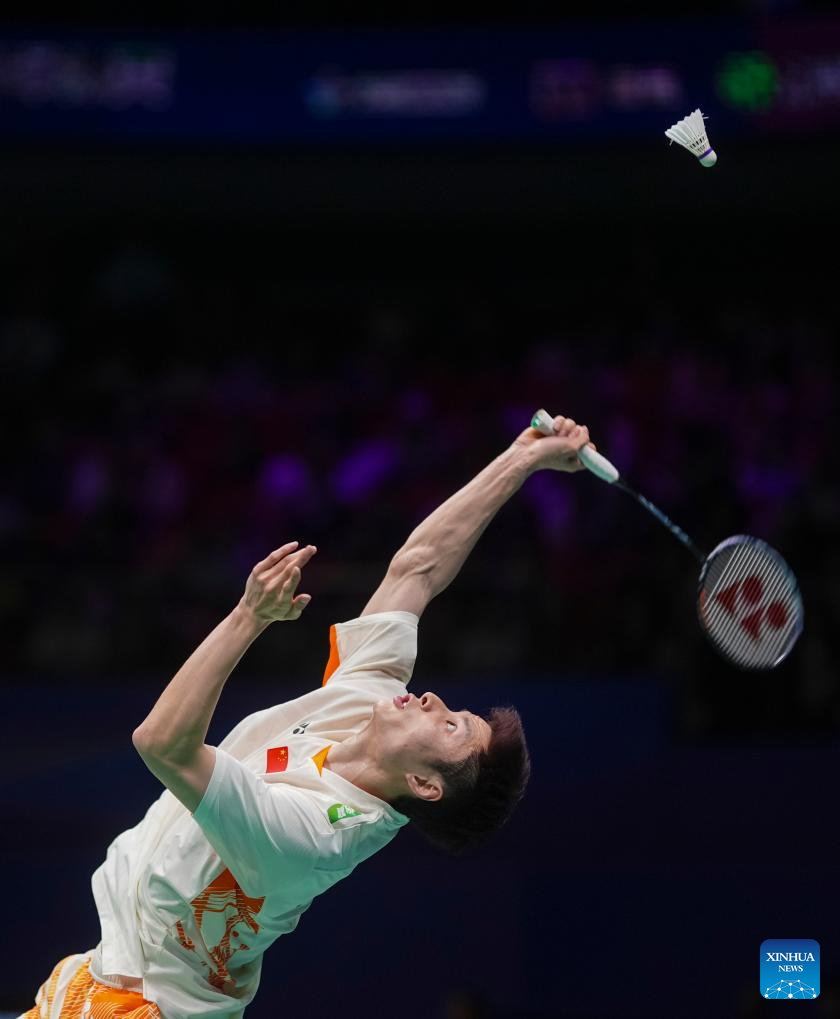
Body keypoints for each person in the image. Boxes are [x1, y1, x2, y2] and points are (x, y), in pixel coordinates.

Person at [20, 414, 591, 1019]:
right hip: (106, 969)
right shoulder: (367, 699)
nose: (432, 700)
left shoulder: (310, 836)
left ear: (425, 785)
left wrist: (248, 617)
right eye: (454, 709)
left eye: (451, 727)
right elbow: (418, 568)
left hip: (142, 1005)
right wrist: (523, 458)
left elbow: (162, 743)